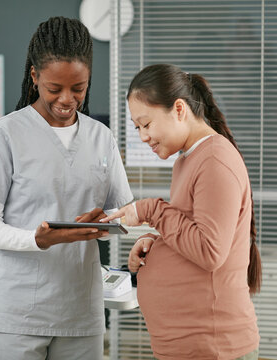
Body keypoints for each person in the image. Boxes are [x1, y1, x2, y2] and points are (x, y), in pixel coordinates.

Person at [0, 16, 133, 360]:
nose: (67, 99)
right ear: (34, 77)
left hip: (80, 313)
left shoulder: (101, 137)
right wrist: (37, 239)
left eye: (78, 88)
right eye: (55, 89)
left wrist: (103, 225)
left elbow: (124, 211)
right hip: (16, 313)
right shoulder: (3, 135)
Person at [100, 64, 262, 360]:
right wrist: (157, 242)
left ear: (178, 109)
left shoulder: (214, 160)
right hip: (192, 347)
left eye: (146, 124)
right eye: (137, 127)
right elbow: (192, 231)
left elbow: (209, 250)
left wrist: (151, 209)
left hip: (213, 348)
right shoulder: (188, 160)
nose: (143, 137)